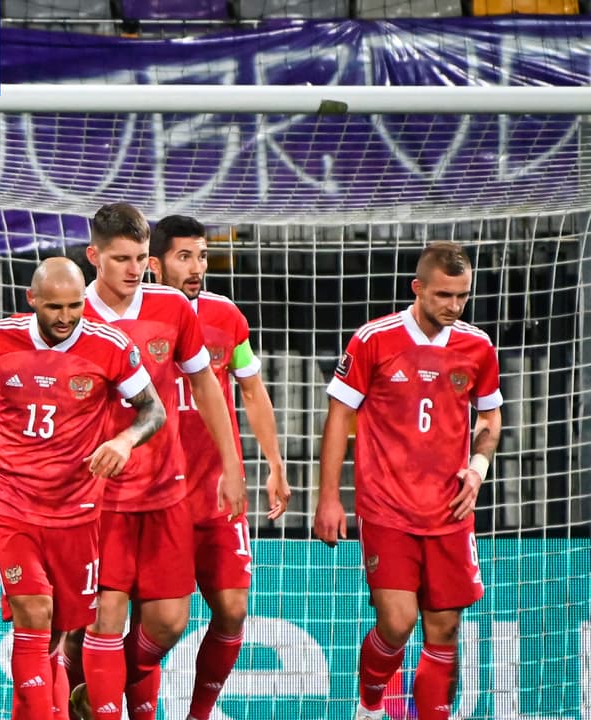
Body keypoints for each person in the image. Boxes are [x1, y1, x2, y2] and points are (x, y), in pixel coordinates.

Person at [0, 256, 164, 720]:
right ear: (31, 299)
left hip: (78, 511)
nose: (66, 317)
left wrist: (124, 440)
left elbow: (153, 410)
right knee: (34, 613)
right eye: (54, 307)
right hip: (10, 503)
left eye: (75, 306)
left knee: (54, 636)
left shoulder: (109, 345)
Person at [70, 205, 249, 720]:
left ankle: (89, 689)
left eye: (140, 258)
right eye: (120, 259)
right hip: (99, 495)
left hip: (165, 490)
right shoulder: (73, 313)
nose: (133, 269)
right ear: (94, 256)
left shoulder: (171, 307)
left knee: (169, 622)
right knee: (105, 616)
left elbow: (206, 385)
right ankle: (99, 702)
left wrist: (232, 465)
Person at [313, 241, 502, 720]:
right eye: (443, 295)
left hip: (450, 511)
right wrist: (329, 498)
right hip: (387, 508)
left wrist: (477, 468)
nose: (454, 306)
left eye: (462, 296)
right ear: (417, 288)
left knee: (445, 630)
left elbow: (490, 418)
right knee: (397, 623)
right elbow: (338, 417)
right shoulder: (374, 340)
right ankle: (370, 706)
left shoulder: (478, 347)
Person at [152, 215, 291, 720]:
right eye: (184, 257)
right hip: (152, 495)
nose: (197, 268)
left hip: (217, 493)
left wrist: (274, 463)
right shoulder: (136, 318)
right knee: (158, 625)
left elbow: (251, 389)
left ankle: (199, 714)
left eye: (202, 256)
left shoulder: (225, 316)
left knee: (232, 610)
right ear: (154, 264)